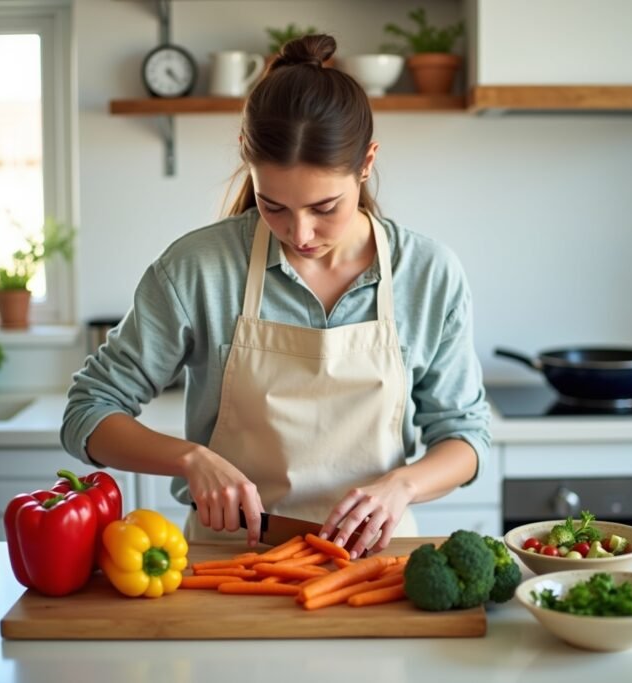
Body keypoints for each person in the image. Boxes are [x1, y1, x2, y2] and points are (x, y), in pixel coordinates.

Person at [61, 34, 491, 559]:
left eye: (324, 207)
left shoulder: (428, 273)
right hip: (228, 563)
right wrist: (190, 459)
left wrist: (403, 485)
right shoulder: (198, 268)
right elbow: (89, 411)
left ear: (367, 162)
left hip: (376, 567)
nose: (301, 233)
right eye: (274, 206)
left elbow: (465, 438)